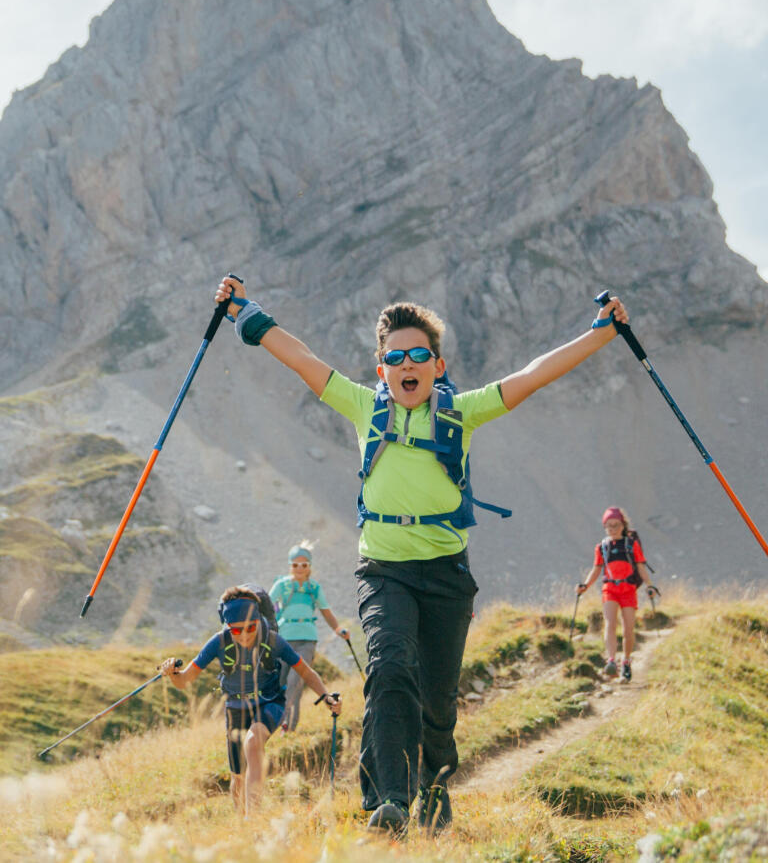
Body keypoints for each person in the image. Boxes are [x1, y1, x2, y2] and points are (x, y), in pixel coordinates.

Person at [213, 274, 629, 834]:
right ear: (381, 369)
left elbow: (531, 377)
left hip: (447, 575)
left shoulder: (463, 411)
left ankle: (434, 789)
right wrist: (247, 314)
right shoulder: (364, 406)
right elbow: (302, 358)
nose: (407, 364)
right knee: (388, 668)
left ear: (437, 363)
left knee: (436, 699)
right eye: (394, 357)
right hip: (383, 571)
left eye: (418, 354)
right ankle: (388, 798)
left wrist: (600, 335)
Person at [159, 586, 342, 815]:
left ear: (258, 620)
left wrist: (326, 696)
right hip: (235, 708)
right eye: (236, 631)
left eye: (250, 628)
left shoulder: (273, 640)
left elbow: (305, 672)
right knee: (237, 777)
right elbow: (184, 680)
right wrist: (173, 673)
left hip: (270, 702)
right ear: (227, 626)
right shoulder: (218, 642)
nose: (244, 635)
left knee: (253, 743)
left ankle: (253, 821)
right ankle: (242, 825)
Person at [270, 542, 352, 733]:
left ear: (309, 567)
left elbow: (326, 611)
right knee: (282, 683)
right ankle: (284, 726)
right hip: (284, 640)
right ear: (290, 566)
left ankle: (283, 726)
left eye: (304, 565)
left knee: (294, 680)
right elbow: (266, 603)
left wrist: (339, 629)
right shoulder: (281, 585)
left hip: (307, 640)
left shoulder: (314, 588)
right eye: (296, 565)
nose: (300, 568)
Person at [576, 505, 657, 683]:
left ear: (623, 525)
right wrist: (585, 586)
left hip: (628, 589)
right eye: (609, 526)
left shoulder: (631, 545)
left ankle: (626, 661)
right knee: (610, 623)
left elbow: (641, 567)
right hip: (610, 589)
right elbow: (596, 569)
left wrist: (649, 586)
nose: (612, 529)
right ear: (605, 527)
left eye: (616, 525)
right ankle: (611, 660)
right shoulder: (602, 547)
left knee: (628, 629)